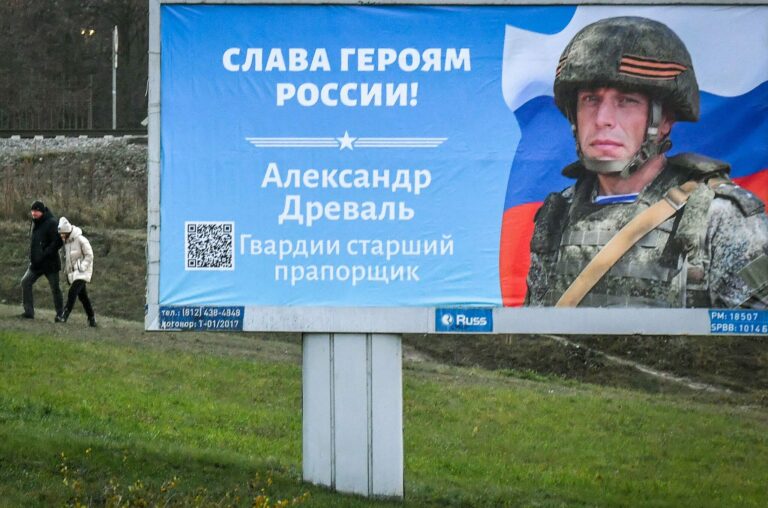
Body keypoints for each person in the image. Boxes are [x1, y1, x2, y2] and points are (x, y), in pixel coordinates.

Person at [525, 16, 768, 308]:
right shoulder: (557, 216)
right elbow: (537, 330)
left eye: (626, 101)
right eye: (590, 100)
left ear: (664, 120)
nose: (602, 119)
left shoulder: (717, 216)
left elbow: (756, 334)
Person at [20, 200, 64, 319]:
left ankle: (60, 314)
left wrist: (46, 253)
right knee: (25, 282)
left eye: (36, 211)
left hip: (50, 263)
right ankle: (29, 312)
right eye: (32, 211)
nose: (33, 213)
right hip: (36, 263)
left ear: (42, 212)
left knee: (55, 288)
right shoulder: (35, 222)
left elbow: (58, 242)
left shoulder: (52, 223)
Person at [55, 217, 97, 327]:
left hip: (83, 272)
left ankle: (64, 315)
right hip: (74, 273)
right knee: (83, 297)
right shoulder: (67, 242)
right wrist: (68, 272)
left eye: (63, 234)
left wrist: (82, 267)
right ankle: (91, 318)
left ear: (67, 232)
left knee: (72, 292)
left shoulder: (81, 240)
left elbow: (89, 255)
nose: (61, 236)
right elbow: (68, 260)